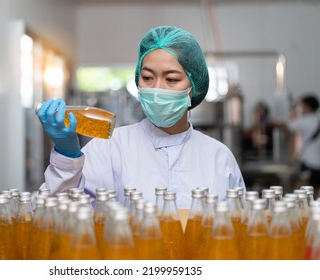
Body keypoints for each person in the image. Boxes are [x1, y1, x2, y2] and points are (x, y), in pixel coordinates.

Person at [37, 26, 245, 209]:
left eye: (171, 79)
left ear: (194, 87)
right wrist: (66, 159)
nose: (156, 89)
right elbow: (54, 217)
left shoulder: (218, 158)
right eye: (147, 78)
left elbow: (238, 231)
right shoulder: (109, 149)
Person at [287, 94, 320, 190]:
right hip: (318, 164)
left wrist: (293, 113)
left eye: (301, 106)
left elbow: (290, 126)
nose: (300, 109)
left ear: (307, 107)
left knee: (305, 193)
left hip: (309, 163)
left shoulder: (305, 121)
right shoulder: (317, 119)